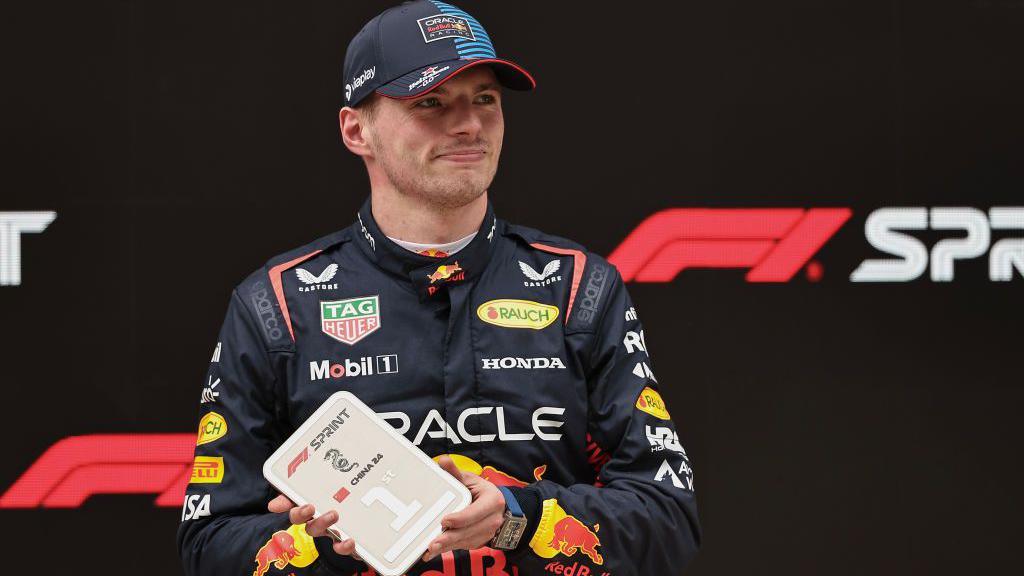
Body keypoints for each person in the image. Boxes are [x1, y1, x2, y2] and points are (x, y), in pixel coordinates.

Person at [176, 1, 701, 575]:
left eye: (484, 100)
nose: (469, 124)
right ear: (357, 130)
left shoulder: (579, 288)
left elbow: (668, 523)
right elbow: (208, 547)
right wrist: (321, 540)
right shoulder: (276, 305)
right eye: (430, 102)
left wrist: (517, 517)